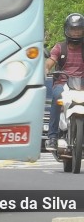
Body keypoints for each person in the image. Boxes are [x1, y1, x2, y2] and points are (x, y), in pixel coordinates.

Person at [44, 13, 84, 151]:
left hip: (81, 85)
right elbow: (50, 61)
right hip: (62, 84)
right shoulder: (59, 47)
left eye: (79, 29)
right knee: (56, 97)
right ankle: (52, 137)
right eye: (73, 29)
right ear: (67, 30)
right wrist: (46, 68)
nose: (76, 33)